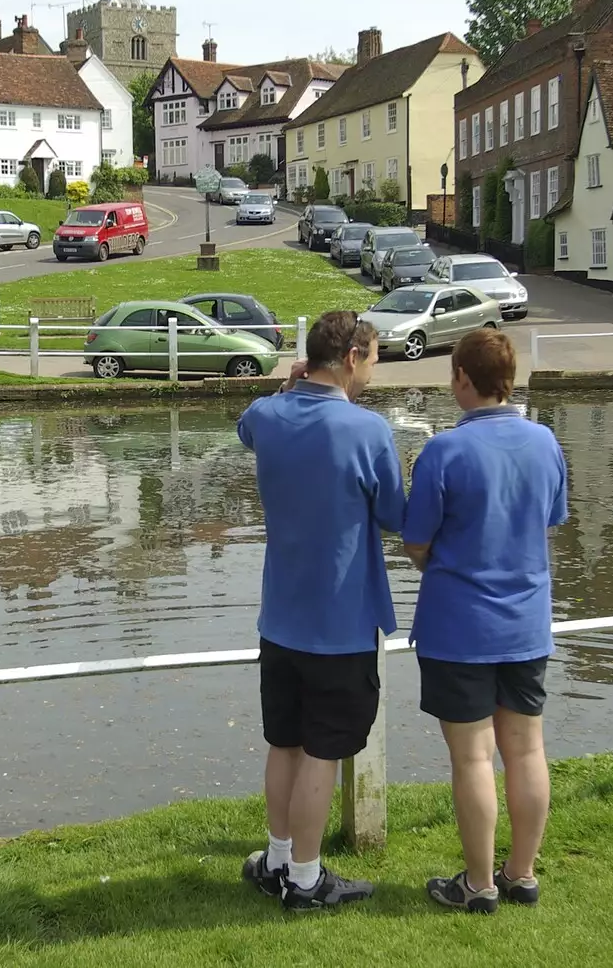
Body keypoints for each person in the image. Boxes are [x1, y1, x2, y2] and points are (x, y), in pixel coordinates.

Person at [235, 310, 405, 911]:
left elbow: (246, 425)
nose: (373, 373)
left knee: (283, 743)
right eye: (374, 360)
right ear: (353, 357)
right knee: (324, 752)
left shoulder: (266, 417)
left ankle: (277, 859)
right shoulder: (368, 431)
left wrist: (287, 386)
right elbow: (394, 516)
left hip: (279, 618)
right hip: (339, 622)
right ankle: (305, 880)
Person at [401, 327, 568, 913]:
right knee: (526, 750)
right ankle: (521, 874)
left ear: (463, 379)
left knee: (472, 757)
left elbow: (415, 543)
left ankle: (477, 884)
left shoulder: (444, 451)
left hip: (459, 627)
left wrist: (440, 555)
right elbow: (550, 518)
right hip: (526, 623)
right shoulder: (545, 441)